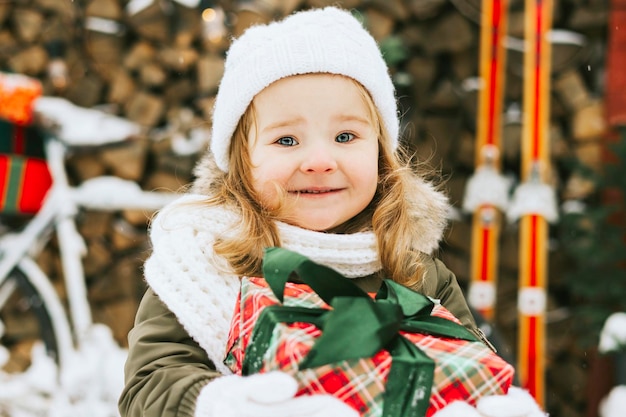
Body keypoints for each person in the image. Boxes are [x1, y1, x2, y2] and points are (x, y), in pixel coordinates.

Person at [119, 6, 487, 417]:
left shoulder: (416, 273)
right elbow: (149, 386)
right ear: (242, 162)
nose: (319, 160)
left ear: (381, 154)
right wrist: (223, 405)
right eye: (287, 140)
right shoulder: (203, 263)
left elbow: (475, 374)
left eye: (345, 135)